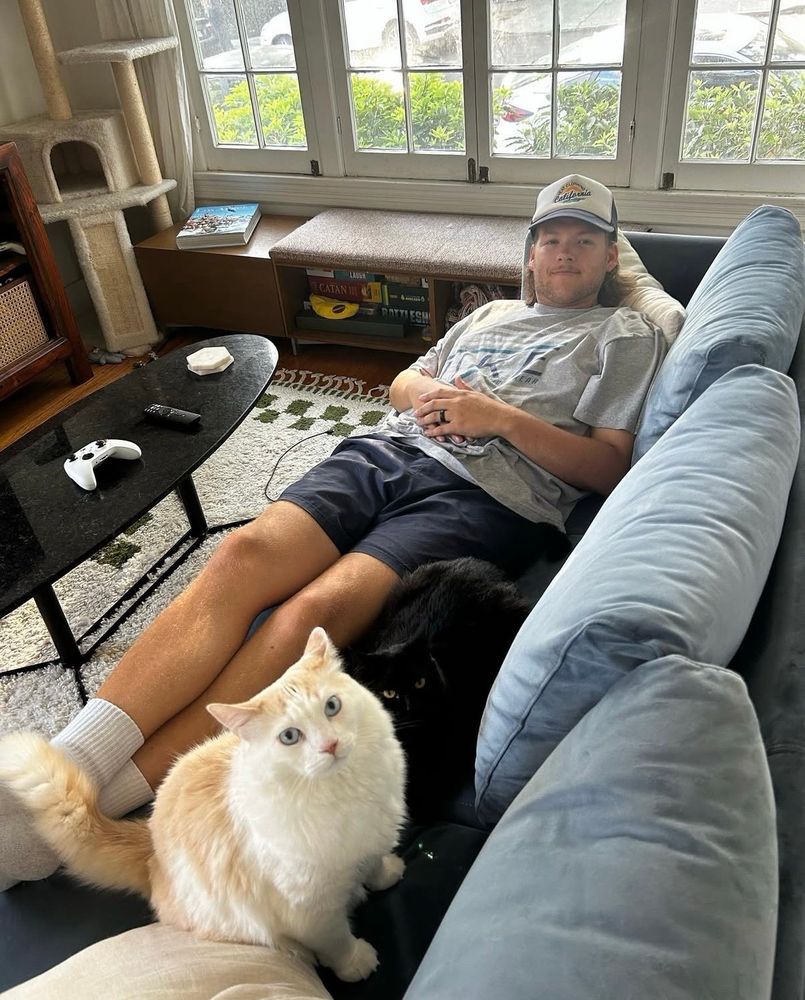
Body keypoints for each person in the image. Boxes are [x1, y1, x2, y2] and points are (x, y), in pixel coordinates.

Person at [0, 174, 666, 889]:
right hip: (387, 452)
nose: (565, 254)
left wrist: (499, 419)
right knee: (242, 553)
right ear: (530, 256)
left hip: (486, 498)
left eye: (584, 242)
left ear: (608, 261)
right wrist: (435, 395)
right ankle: (61, 773)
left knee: (313, 613)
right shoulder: (487, 315)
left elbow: (605, 466)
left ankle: (97, 808)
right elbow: (403, 382)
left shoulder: (624, 334)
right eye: (552, 240)